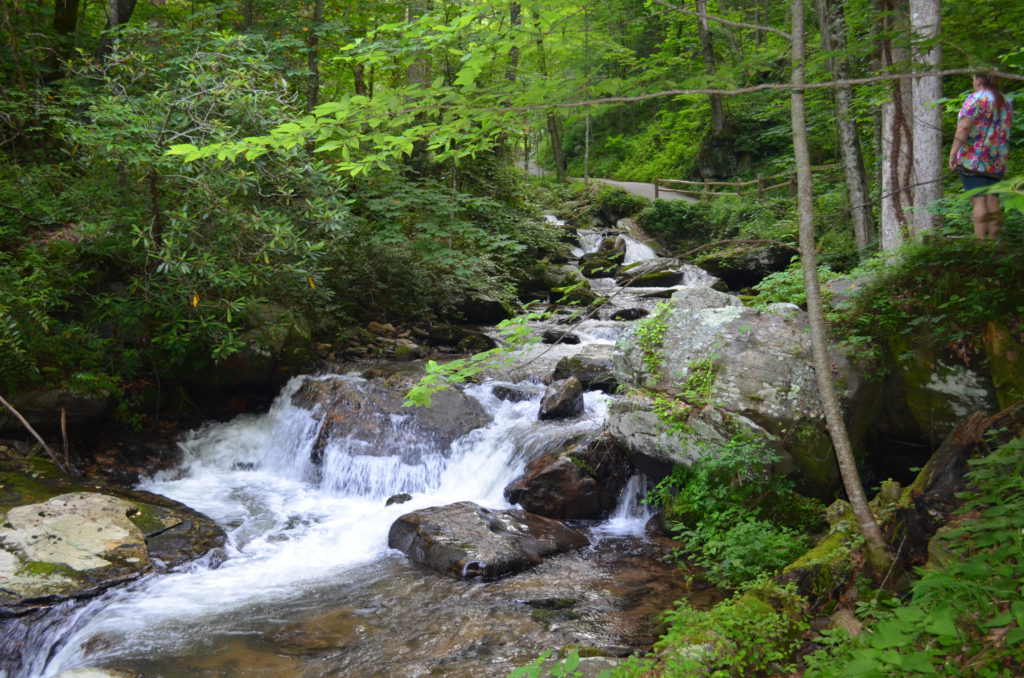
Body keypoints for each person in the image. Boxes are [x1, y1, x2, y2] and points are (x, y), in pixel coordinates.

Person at [948, 74, 1014, 239]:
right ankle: (994, 242)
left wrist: (953, 152)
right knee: (993, 200)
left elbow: (963, 127)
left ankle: (980, 243)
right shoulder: (1005, 100)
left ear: (978, 79)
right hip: (998, 159)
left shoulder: (975, 99)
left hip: (974, 158)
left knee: (978, 200)